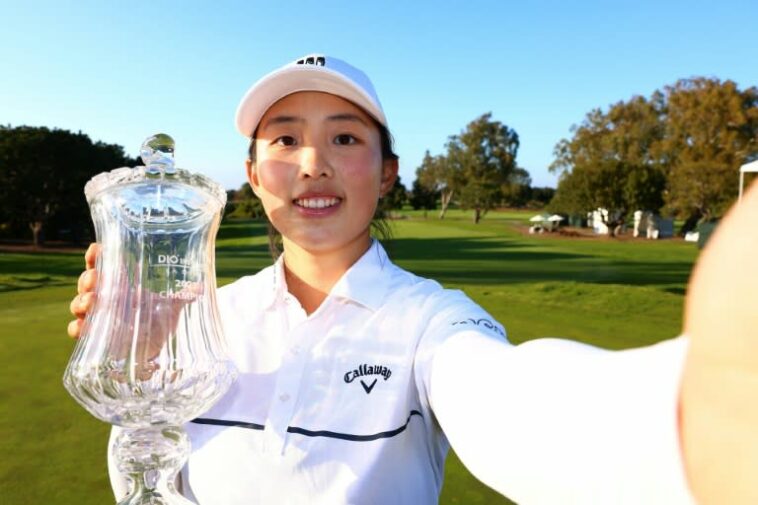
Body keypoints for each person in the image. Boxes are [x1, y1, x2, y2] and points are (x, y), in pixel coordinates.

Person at [67, 54, 758, 505]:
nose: (312, 163)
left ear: (387, 172)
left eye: (344, 138)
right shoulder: (207, 319)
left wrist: (705, 414)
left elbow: (512, 403)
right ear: (250, 175)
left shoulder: (431, 322)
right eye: (283, 138)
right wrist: (148, 374)